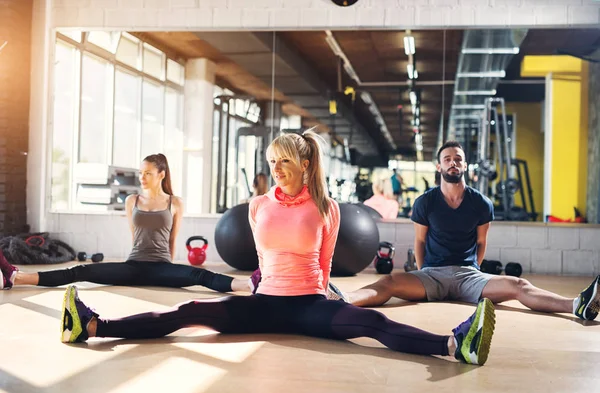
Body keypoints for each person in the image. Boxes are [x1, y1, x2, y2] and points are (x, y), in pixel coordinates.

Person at [59, 130, 497, 366]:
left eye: (285, 160)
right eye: (271, 162)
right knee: (187, 312)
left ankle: (454, 345)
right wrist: (258, 285)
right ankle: (94, 327)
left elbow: (324, 264)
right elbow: (263, 260)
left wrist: (328, 294)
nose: (277, 169)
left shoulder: (326, 208)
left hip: (310, 303)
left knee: (372, 323)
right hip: (265, 301)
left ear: (305, 164)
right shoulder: (256, 206)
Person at [329, 141, 600, 322]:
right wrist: (425, 273)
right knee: (388, 282)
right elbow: (420, 241)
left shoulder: (481, 203)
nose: (453, 163)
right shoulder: (426, 201)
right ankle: (344, 300)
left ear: (465, 165)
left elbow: (482, 242)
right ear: (439, 167)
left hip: (469, 274)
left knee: (518, 285)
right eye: (447, 159)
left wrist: (474, 275)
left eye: (458, 159)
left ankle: (576, 305)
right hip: (431, 274)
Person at [0, 154, 246, 293]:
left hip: (162, 267)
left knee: (198, 275)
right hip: (133, 265)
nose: (142, 177)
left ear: (161, 174)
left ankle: (250, 283)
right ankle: (18, 277)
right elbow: (135, 237)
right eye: (141, 173)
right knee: (81, 272)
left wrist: (168, 270)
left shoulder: (175, 203)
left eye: (148, 173)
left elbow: (172, 240)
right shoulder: (132, 201)